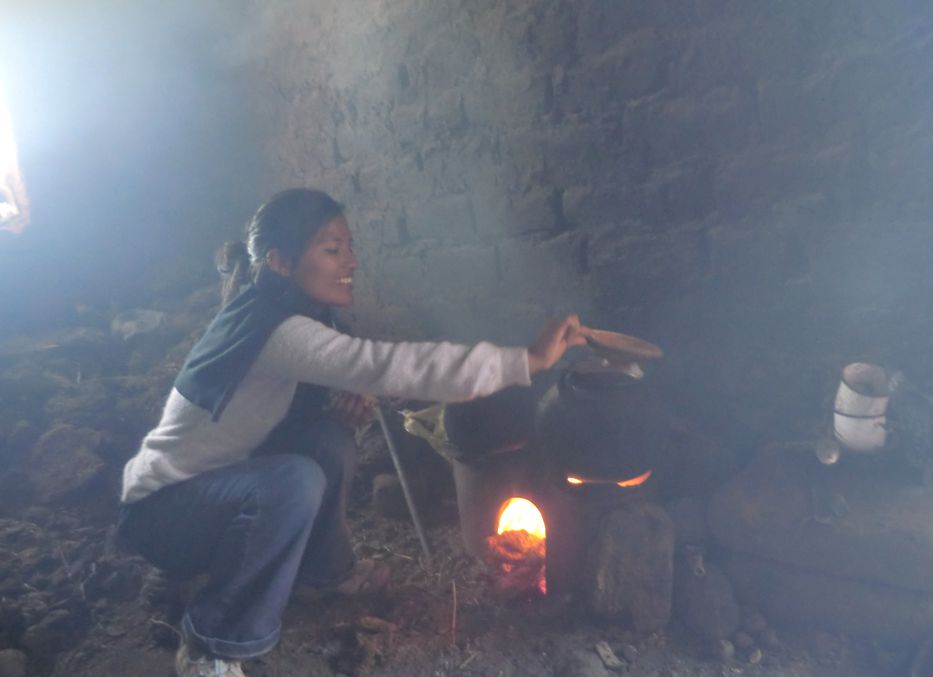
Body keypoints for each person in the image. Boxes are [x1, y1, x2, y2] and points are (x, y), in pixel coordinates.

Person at [117, 188, 589, 677]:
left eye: (349, 246)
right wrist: (526, 361)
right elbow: (391, 366)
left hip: (212, 485)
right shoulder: (278, 328)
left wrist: (329, 404)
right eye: (332, 248)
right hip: (162, 511)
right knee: (294, 481)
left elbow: (261, 408)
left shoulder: (281, 310)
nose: (351, 261)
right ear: (280, 262)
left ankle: (325, 574)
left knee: (327, 440)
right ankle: (213, 641)